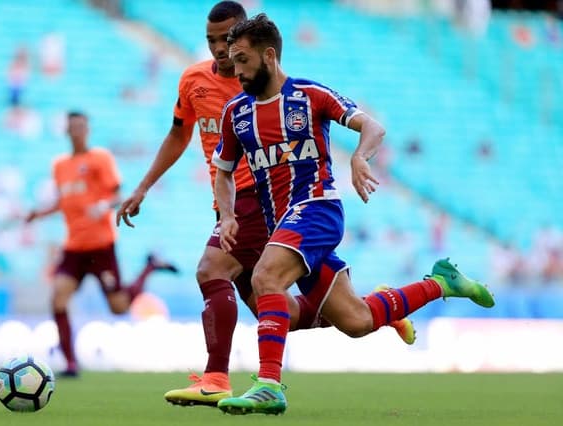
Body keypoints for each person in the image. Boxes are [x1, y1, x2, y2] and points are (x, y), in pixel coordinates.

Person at [116, 1, 414, 407]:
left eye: (229, 42)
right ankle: (381, 307)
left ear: (254, 45)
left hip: (261, 198)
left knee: (212, 268)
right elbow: (178, 136)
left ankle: (220, 377)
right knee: (280, 313)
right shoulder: (195, 82)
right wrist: (144, 186)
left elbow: (358, 123)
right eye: (213, 41)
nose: (222, 51)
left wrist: (359, 155)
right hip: (235, 205)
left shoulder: (263, 84)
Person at [212, 14, 495, 415]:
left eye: (241, 60)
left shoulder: (309, 95)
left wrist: (360, 157)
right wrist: (226, 215)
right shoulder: (235, 114)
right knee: (357, 321)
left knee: (265, 277)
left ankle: (269, 385)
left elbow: (373, 126)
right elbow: (223, 172)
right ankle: (442, 283)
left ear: (269, 56)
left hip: (317, 209)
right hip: (285, 227)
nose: (234, 69)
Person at [26, 111, 178, 377]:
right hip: (74, 247)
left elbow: (117, 195)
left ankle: (150, 267)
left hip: (100, 246)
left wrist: (103, 205)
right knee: (58, 299)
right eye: (72, 127)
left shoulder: (100, 159)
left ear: (88, 130)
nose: (77, 131)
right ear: (67, 131)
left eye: (81, 126)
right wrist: (39, 214)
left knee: (119, 307)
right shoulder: (60, 166)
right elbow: (65, 201)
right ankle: (71, 363)